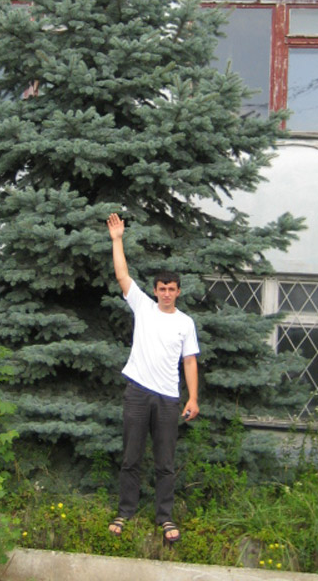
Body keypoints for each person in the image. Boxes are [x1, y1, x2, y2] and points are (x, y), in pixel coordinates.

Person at [106, 212, 200, 545]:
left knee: (165, 462)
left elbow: (190, 361)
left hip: (168, 400)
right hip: (137, 393)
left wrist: (193, 398)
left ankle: (165, 517)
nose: (166, 294)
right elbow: (122, 275)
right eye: (162, 289)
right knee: (131, 457)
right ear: (155, 290)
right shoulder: (143, 307)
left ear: (178, 292)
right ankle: (125, 512)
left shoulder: (185, 323)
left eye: (171, 289)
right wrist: (117, 240)